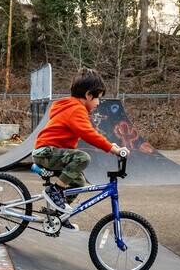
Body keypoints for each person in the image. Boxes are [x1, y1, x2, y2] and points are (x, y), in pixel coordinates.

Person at [32, 68, 129, 232]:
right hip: (47, 152)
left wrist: (113, 146)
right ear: (89, 95)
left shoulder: (71, 107)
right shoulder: (76, 109)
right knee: (83, 158)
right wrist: (112, 149)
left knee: (78, 181)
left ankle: (60, 215)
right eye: (98, 98)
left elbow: (89, 132)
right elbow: (89, 134)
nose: (98, 103)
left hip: (50, 153)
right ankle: (55, 190)